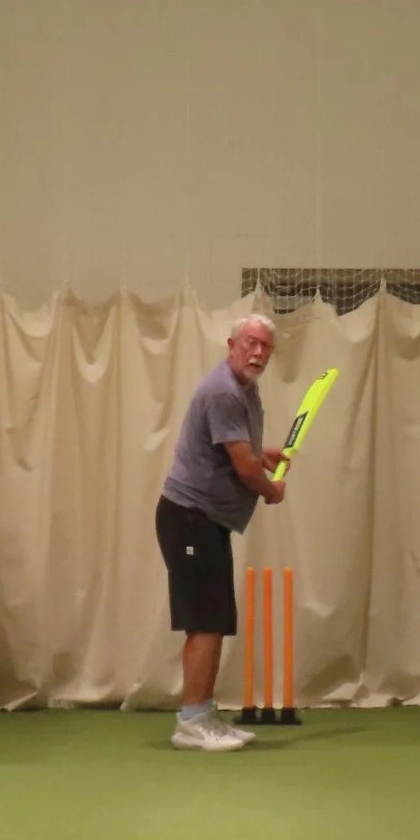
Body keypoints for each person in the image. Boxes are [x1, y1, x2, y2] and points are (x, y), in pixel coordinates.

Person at [156, 312, 287, 751]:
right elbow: (244, 467)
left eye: (265, 346)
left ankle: (204, 713)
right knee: (205, 621)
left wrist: (260, 453)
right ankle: (191, 721)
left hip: (206, 520)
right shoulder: (223, 391)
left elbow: (240, 449)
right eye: (249, 342)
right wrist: (270, 490)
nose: (257, 352)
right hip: (189, 516)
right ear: (231, 344)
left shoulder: (246, 389)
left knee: (215, 618)